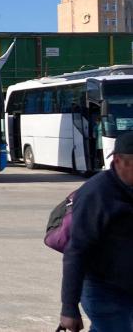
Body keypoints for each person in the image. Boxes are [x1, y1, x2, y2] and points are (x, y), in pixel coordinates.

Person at [59, 131, 133, 331]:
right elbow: (76, 252)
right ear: (119, 161)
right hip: (104, 289)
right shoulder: (96, 194)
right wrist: (69, 308)